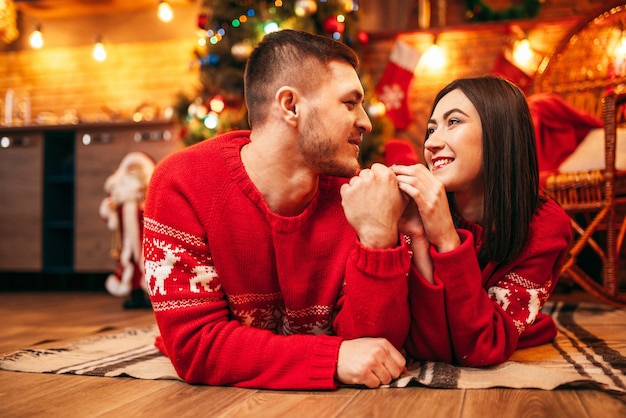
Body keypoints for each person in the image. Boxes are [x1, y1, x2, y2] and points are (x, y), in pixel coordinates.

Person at [142, 29, 411, 390]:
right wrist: (329, 358)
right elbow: (194, 346)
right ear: (290, 106)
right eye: (350, 103)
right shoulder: (182, 185)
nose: (366, 121)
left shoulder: (357, 197)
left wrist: (379, 237)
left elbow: (374, 350)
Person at [391, 75, 572, 367]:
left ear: (500, 133)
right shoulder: (414, 211)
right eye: (431, 128)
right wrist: (420, 236)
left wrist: (448, 240)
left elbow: (481, 348)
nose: (432, 143)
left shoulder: (545, 227)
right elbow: (425, 344)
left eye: (453, 122)